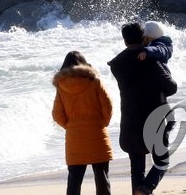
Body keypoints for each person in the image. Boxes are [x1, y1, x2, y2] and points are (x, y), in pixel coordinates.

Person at [107, 23, 178, 195]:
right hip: (155, 117)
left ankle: (139, 190)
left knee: (136, 168)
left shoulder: (117, 64)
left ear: (125, 41)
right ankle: (146, 188)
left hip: (131, 121)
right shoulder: (150, 60)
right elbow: (171, 87)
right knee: (162, 161)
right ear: (143, 37)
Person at [52, 51, 114, 195]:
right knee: (102, 177)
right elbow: (108, 106)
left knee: (74, 179)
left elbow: (57, 114)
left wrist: (70, 126)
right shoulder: (95, 81)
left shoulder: (61, 87)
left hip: (75, 139)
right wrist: (102, 123)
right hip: (97, 135)